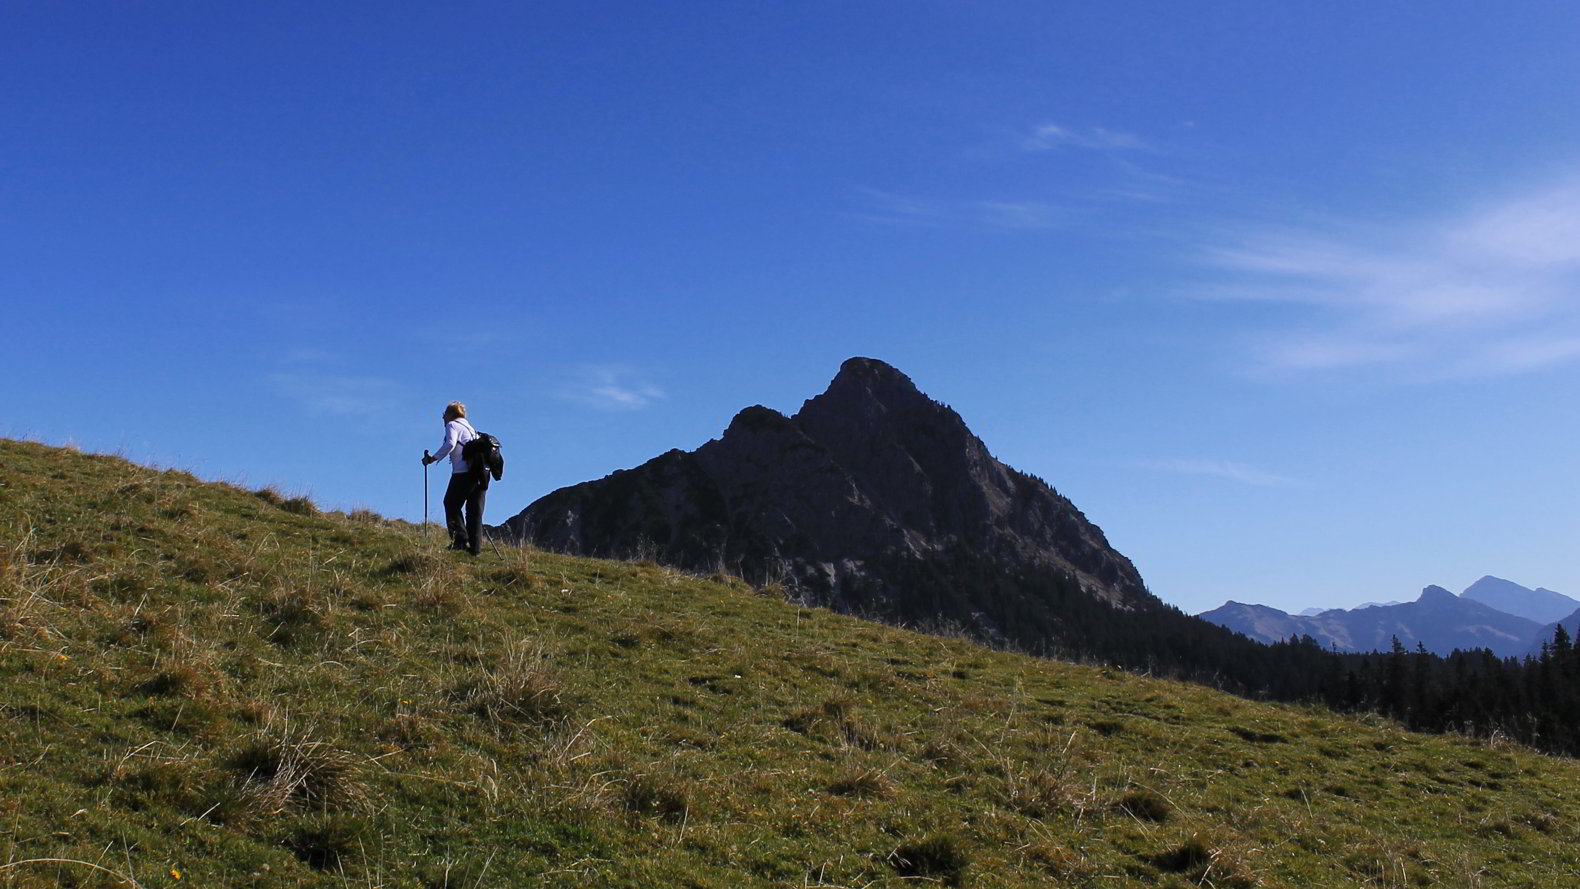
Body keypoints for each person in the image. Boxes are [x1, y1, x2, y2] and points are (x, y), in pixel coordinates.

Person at [422, 401, 487, 555]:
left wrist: (432, 459)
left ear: (450, 414)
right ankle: (475, 550)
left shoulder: (452, 425)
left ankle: (460, 541)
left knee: (451, 503)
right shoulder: (471, 429)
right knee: (474, 511)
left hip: (463, 473)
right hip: (481, 474)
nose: (443, 418)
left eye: (444, 415)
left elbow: (450, 444)